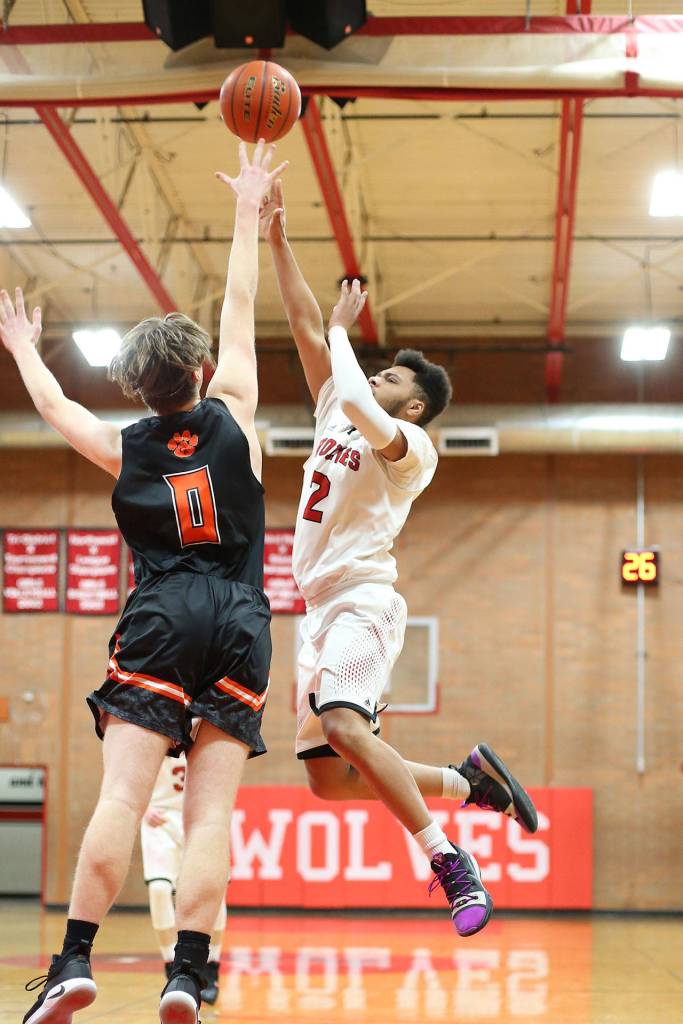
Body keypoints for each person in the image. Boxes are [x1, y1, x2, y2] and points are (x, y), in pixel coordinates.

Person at [6, 139, 285, 1024]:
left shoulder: (119, 444)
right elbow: (239, 302)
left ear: (139, 387)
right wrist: (248, 206)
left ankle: (75, 964)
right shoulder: (235, 409)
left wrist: (22, 345)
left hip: (160, 613)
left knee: (124, 798)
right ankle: (187, 976)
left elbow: (54, 407)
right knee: (207, 818)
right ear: (200, 374)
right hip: (241, 616)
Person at [261, 180, 538, 938]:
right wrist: (275, 235)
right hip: (317, 610)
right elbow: (304, 328)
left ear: (413, 406)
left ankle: (447, 858)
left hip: (363, 601)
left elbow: (352, 393)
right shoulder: (336, 405)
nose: (375, 380)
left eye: (392, 380)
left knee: (348, 729)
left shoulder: (411, 447)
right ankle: (470, 784)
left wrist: (349, 337)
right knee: (328, 783)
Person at [141, 751, 226, 1004]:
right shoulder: (153, 721)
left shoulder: (207, 721)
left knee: (215, 890)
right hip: (161, 819)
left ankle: (211, 966)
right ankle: (171, 963)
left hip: (201, 816)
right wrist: (143, 808)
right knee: (158, 889)